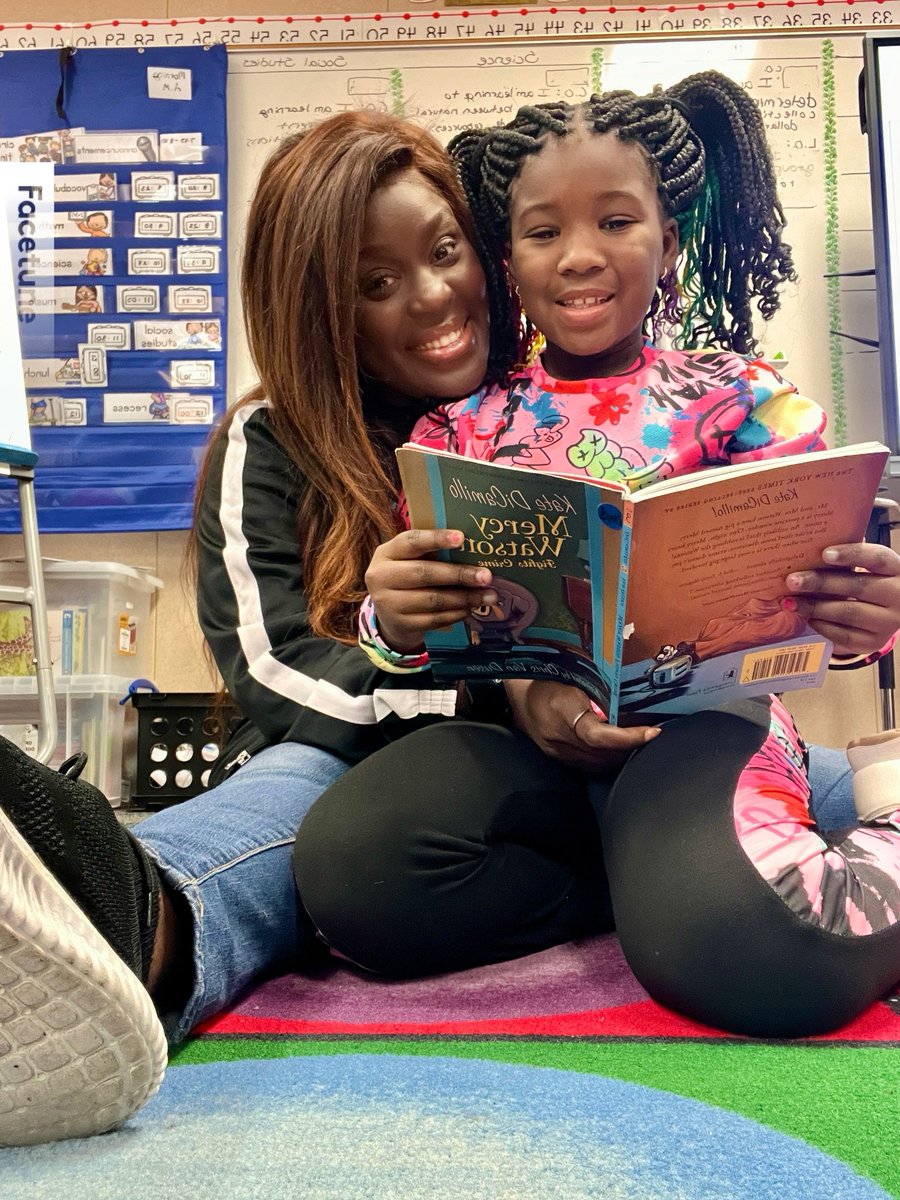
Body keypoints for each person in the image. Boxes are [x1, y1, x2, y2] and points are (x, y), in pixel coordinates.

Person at [293, 73, 900, 1040]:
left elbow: (821, 608)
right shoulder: (460, 428)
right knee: (354, 880)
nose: (580, 256)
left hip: (699, 730)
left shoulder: (746, 400)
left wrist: (863, 618)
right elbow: (427, 631)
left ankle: (850, 830)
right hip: (532, 746)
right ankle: (647, 881)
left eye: (617, 221)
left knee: (771, 961)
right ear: (508, 257)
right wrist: (389, 618)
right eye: (543, 233)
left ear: (667, 241)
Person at [0, 110, 515, 1148]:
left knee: (788, 777)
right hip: (337, 747)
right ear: (320, 312)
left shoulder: (553, 403)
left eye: (446, 251)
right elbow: (276, 669)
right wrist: (421, 664)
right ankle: (105, 929)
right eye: (374, 284)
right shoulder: (267, 437)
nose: (432, 297)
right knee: (280, 803)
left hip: (544, 760)